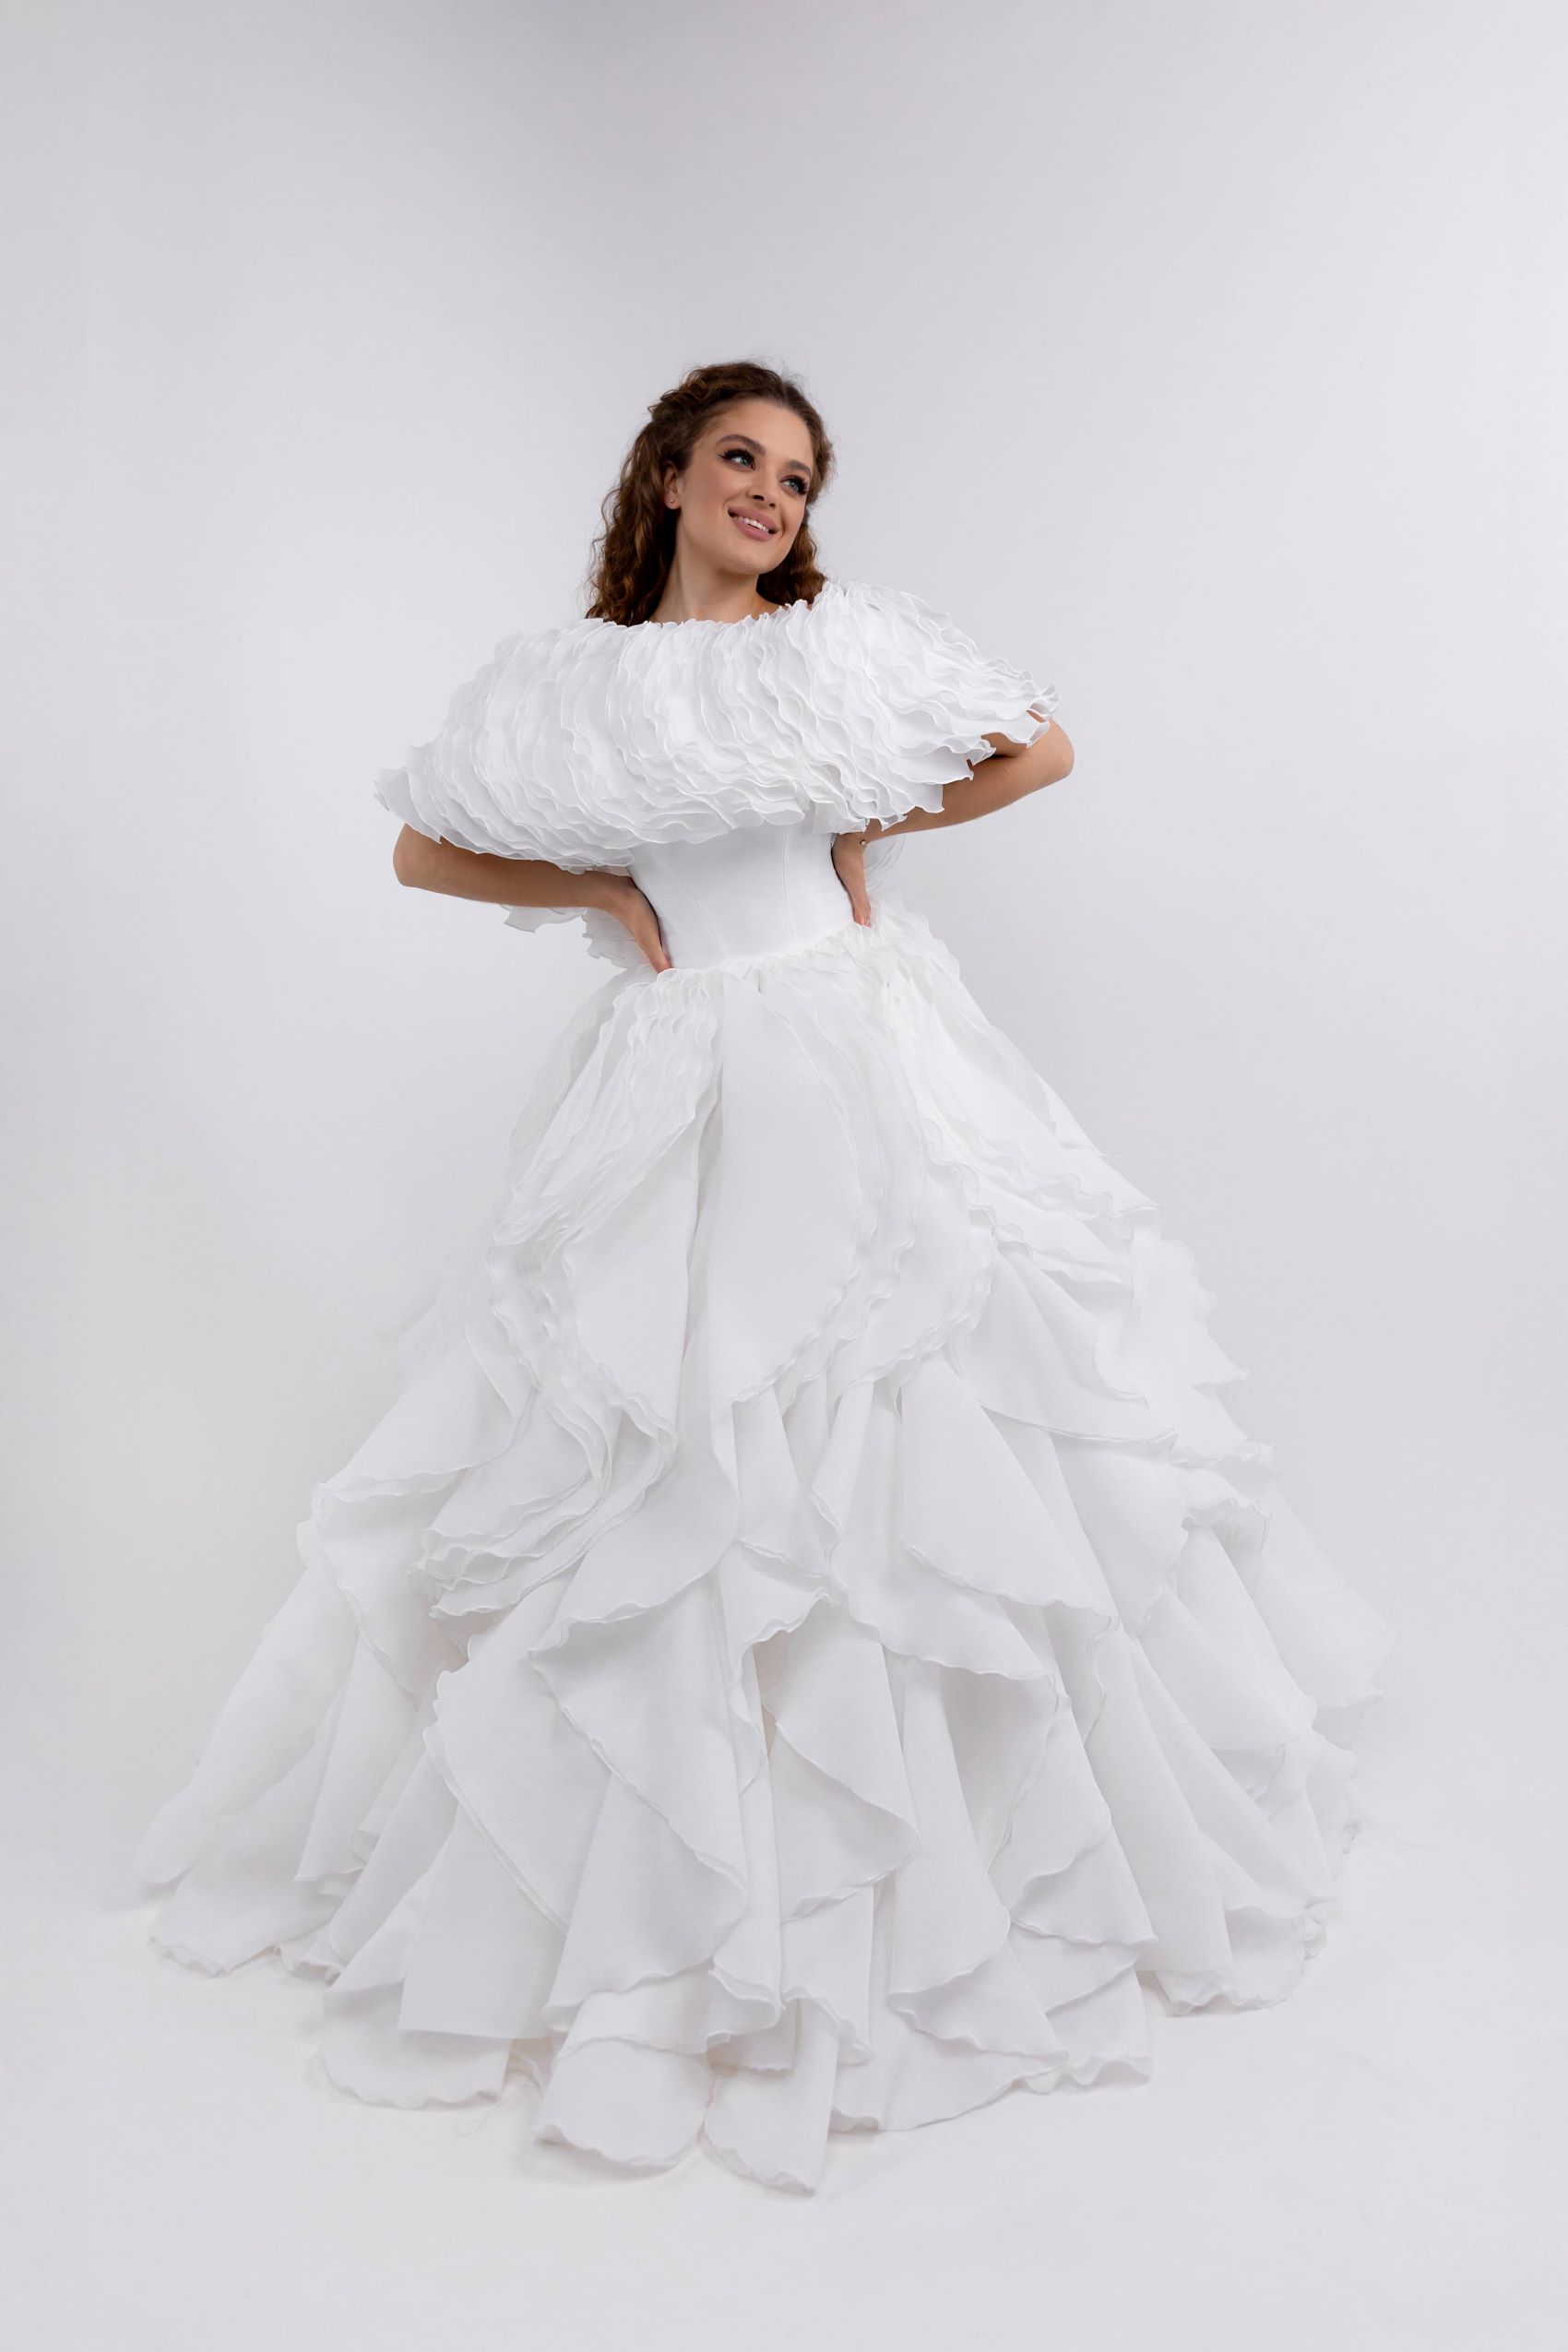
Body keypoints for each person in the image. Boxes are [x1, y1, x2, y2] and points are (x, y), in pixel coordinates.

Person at [135, 359, 1396, 2196]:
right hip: (677, 1080)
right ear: (666, 475)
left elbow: (1038, 746)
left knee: (914, 1422)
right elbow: (420, 845)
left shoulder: (833, 653)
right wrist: (598, 895)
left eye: (796, 477)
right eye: (740, 459)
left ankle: (955, 1870)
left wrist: (869, 817)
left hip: (857, 1052)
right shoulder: (569, 684)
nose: (769, 495)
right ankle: (676, 1891)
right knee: (667, 1459)